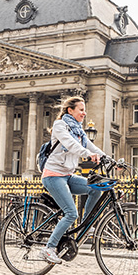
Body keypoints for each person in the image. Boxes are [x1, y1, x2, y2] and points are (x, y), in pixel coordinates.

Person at [40, 96, 106, 264]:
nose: (84, 113)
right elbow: (70, 144)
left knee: (96, 187)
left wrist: (110, 159)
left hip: (67, 175)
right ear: (70, 110)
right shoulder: (60, 125)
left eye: (84, 110)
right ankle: (49, 248)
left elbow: (91, 146)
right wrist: (87, 154)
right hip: (53, 175)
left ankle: (86, 225)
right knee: (71, 213)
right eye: (81, 110)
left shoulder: (78, 129)